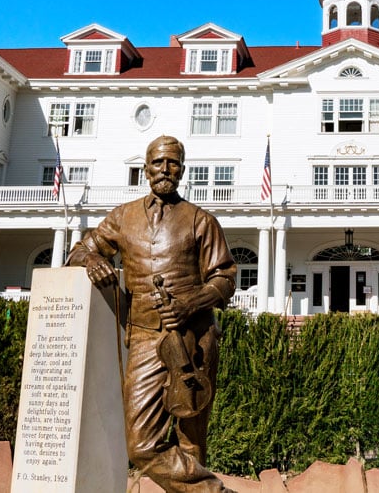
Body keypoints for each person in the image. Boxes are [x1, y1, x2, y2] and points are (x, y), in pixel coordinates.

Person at [68, 134, 236, 492]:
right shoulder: (123, 217)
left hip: (195, 338)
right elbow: (79, 251)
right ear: (145, 169)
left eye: (172, 162)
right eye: (158, 162)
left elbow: (225, 278)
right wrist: (93, 258)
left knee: (192, 436)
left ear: (182, 169)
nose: (165, 169)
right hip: (144, 336)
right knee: (142, 443)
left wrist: (191, 302)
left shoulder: (200, 220)